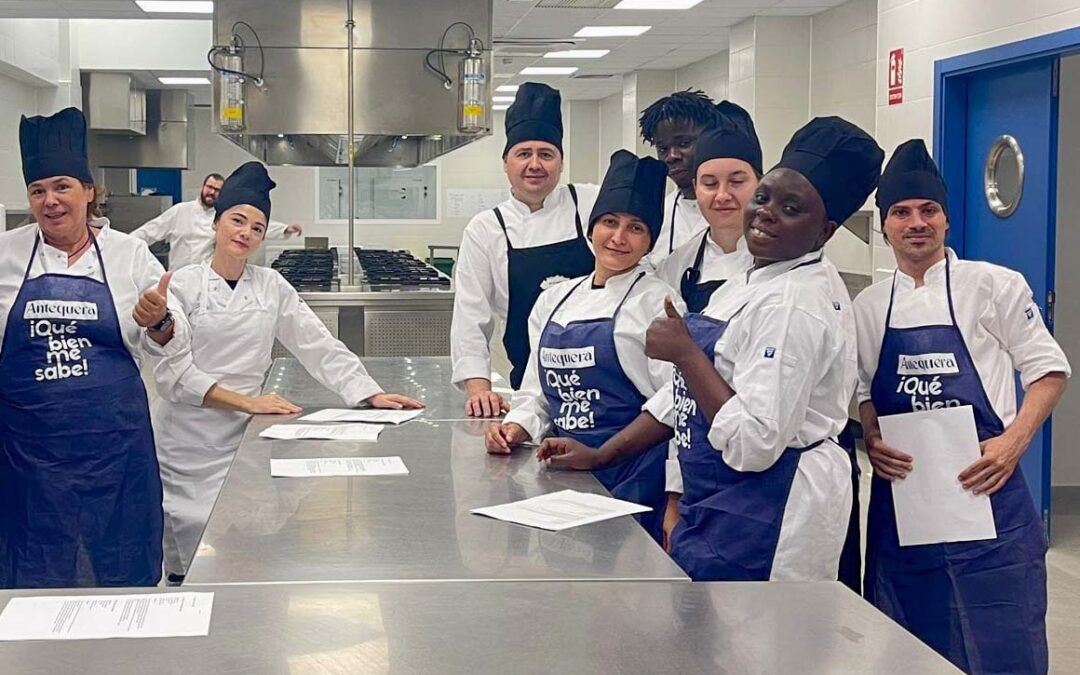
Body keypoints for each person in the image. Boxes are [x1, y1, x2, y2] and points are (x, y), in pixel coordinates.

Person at [539, 117, 882, 582]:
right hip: (722, 499)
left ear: (825, 231)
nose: (765, 213)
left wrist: (685, 353)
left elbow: (754, 443)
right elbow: (679, 398)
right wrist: (603, 456)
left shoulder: (794, 304)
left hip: (770, 507)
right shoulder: (753, 279)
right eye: (765, 197)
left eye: (792, 208)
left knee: (756, 648)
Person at [134, 161, 423, 582]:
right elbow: (174, 373)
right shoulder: (181, 284)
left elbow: (316, 343)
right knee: (183, 564)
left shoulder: (271, 285)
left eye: (256, 226)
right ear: (216, 223)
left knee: (227, 578)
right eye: (237, 220)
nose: (245, 233)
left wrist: (367, 393)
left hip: (245, 446)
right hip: (184, 447)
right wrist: (158, 323)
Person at [854, 139, 1069, 675]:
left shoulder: (993, 285)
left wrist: (1014, 442)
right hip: (907, 501)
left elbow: (1048, 370)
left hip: (989, 494)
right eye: (901, 213)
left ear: (947, 219)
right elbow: (859, 389)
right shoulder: (869, 306)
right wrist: (872, 435)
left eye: (928, 210)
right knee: (911, 643)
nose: (915, 222)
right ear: (885, 227)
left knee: (1006, 637)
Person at [0, 107, 165, 588]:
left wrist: (160, 323)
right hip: (28, 456)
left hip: (114, 452)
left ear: (89, 191)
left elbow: (167, 342)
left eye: (61, 186)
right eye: (37, 190)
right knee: (31, 574)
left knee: (119, 568)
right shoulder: (5, 254)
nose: (50, 201)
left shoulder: (127, 254)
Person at [484, 150, 679, 542]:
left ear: (650, 241)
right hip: (564, 475)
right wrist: (517, 428)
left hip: (636, 476)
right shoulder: (555, 299)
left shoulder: (658, 302)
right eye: (609, 222)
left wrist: (604, 454)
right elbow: (538, 392)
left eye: (636, 228)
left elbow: (674, 401)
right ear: (592, 229)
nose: (619, 238)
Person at [451, 82, 599, 415]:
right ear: (506, 162)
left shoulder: (590, 205)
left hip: (604, 382)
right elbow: (470, 316)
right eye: (523, 154)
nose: (535, 164)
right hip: (529, 385)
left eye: (546, 154)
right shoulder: (486, 228)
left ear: (561, 163)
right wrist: (478, 388)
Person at [655, 101, 759, 313]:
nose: (722, 196)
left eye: (737, 182)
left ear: (761, 183)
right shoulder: (676, 264)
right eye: (710, 183)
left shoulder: (786, 256)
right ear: (697, 185)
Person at [131, 172, 303, 270]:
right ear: (202, 187)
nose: (211, 192)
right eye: (209, 187)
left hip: (209, 282)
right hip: (178, 280)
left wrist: (285, 229)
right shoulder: (180, 211)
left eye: (217, 190)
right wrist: (118, 246)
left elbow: (250, 224)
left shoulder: (223, 215)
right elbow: (148, 232)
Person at [638, 89, 725, 267]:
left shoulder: (736, 210)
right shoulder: (656, 214)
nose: (672, 156)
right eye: (663, 149)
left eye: (684, 144)